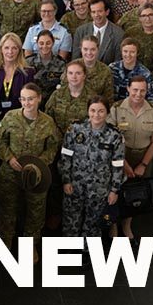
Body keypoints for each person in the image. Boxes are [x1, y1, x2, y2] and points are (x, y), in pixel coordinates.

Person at [0, 84, 60, 258]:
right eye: (23, 99)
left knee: (36, 211)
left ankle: (30, 245)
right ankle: (5, 244)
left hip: (37, 176)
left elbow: (53, 147)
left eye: (30, 98)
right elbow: (0, 142)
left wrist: (40, 163)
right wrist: (9, 158)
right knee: (7, 210)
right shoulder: (10, 117)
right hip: (10, 173)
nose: (27, 103)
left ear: (39, 98)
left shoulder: (47, 122)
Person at [107, 76, 153, 240]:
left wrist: (143, 164)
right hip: (119, 157)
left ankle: (126, 225)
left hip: (142, 157)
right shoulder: (116, 109)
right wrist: (123, 164)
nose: (138, 94)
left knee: (135, 193)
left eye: (142, 90)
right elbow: (111, 138)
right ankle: (113, 226)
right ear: (128, 89)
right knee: (114, 191)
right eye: (135, 90)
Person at [59, 96, 125, 238]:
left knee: (93, 222)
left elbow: (118, 165)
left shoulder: (114, 135)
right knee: (71, 219)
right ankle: (70, 250)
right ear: (88, 111)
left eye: (101, 111)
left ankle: (88, 252)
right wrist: (66, 180)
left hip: (99, 188)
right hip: (75, 184)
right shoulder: (75, 129)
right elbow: (65, 156)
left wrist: (114, 190)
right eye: (93, 110)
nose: (96, 115)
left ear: (107, 113)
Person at [0, 34, 36, 179]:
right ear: (1, 49)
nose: (10, 52)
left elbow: (30, 102)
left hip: (18, 129)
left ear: (19, 50)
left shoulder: (28, 72)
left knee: (13, 169)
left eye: (14, 48)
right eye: (6, 48)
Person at [45, 60, 92, 137]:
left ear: (84, 75)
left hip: (82, 141)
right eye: (70, 73)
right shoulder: (57, 95)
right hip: (57, 140)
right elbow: (47, 119)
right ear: (66, 75)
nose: (74, 76)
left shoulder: (92, 97)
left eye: (78, 73)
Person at [72, 0, 124, 65]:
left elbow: (118, 62)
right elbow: (75, 60)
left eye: (100, 11)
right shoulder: (81, 31)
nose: (96, 15)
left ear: (107, 12)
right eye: (93, 12)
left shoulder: (118, 34)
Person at [109, 38, 153, 104]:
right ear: (121, 52)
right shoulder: (112, 68)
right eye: (125, 51)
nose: (128, 55)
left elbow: (151, 99)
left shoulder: (145, 73)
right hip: (114, 108)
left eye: (132, 52)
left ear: (137, 53)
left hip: (135, 109)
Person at [26, 30, 68, 105]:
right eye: (41, 43)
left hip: (54, 103)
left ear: (53, 43)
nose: (44, 46)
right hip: (32, 102)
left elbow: (64, 86)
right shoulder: (28, 62)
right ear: (37, 44)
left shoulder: (61, 64)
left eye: (48, 43)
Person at [68, 36, 114, 101]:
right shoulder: (72, 66)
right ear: (81, 49)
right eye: (85, 49)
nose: (89, 53)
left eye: (93, 49)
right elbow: (63, 90)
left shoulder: (105, 71)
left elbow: (108, 98)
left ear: (98, 49)